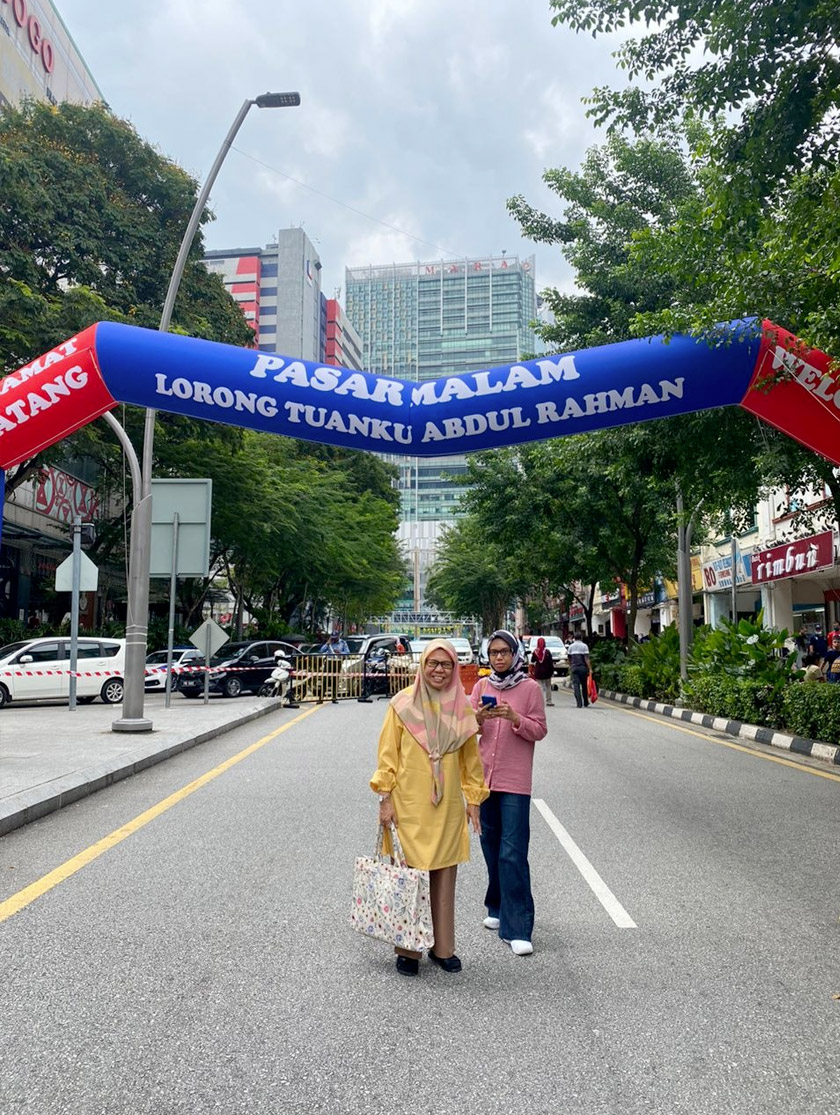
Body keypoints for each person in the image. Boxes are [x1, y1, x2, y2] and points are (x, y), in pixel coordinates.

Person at [371, 638, 488, 977]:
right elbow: (387, 755)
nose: (439, 670)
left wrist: (474, 800)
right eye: (433, 664)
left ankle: (443, 948)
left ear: (454, 668)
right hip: (409, 803)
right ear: (422, 666)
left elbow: (471, 761)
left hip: (447, 804)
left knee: (444, 874)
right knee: (410, 874)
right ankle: (408, 950)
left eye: (446, 664)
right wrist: (385, 799)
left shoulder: (462, 709)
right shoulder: (401, 704)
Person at [470, 630, 547, 957]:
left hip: (515, 782)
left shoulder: (529, 688)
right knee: (490, 846)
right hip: (484, 781)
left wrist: (515, 718)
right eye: (493, 652)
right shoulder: (481, 687)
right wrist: (477, 718)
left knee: (512, 852)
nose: (498, 657)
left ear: (515, 654)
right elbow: (464, 728)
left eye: (504, 652)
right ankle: (498, 905)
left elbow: (539, 730)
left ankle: (517, 927)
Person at [567, 634, 592, 708]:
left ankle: (579, 703)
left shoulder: (571, 646)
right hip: (583, 668)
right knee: (584, 685)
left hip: (574, 668)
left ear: (574, 638)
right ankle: (586, 702)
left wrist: (570, 666)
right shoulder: (584, 646)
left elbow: (569, 658)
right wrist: (590, 668)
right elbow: (586, 659)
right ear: (581, 638)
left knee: (576, 685)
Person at [529, 636, 555, 707]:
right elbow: (550, 662)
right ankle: (549, 701)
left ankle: (540, 701)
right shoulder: (547, 652)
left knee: (540, 686)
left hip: (538, 671)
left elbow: (532, 661)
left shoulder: (535, 652)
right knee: (548, 686)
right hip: (547, 671)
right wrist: (552, 671)